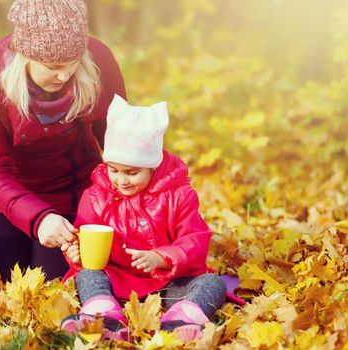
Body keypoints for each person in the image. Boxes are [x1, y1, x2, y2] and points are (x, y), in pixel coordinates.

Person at [0, 0, 126, 282]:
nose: (65, 75)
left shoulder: (99, 59)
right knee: (11, 280)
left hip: (73, 188)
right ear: (25, 55)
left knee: (55, 283)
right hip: (3, 192)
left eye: (73, 64)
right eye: (54, 66)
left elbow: (118, 138)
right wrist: (38, 219)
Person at [60, 95, 229, 341]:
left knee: (213, 284)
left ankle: (182, 320)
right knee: (87, 275)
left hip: (166, 285)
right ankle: (103, 315)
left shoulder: (178, 195)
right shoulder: (96, 196)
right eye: (114, 170)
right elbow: (82, 235)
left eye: (132, 172)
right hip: (116, 281)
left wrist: (161, 258)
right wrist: (75, 252)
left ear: (152, 166)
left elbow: (195, 239)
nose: (121, 180)